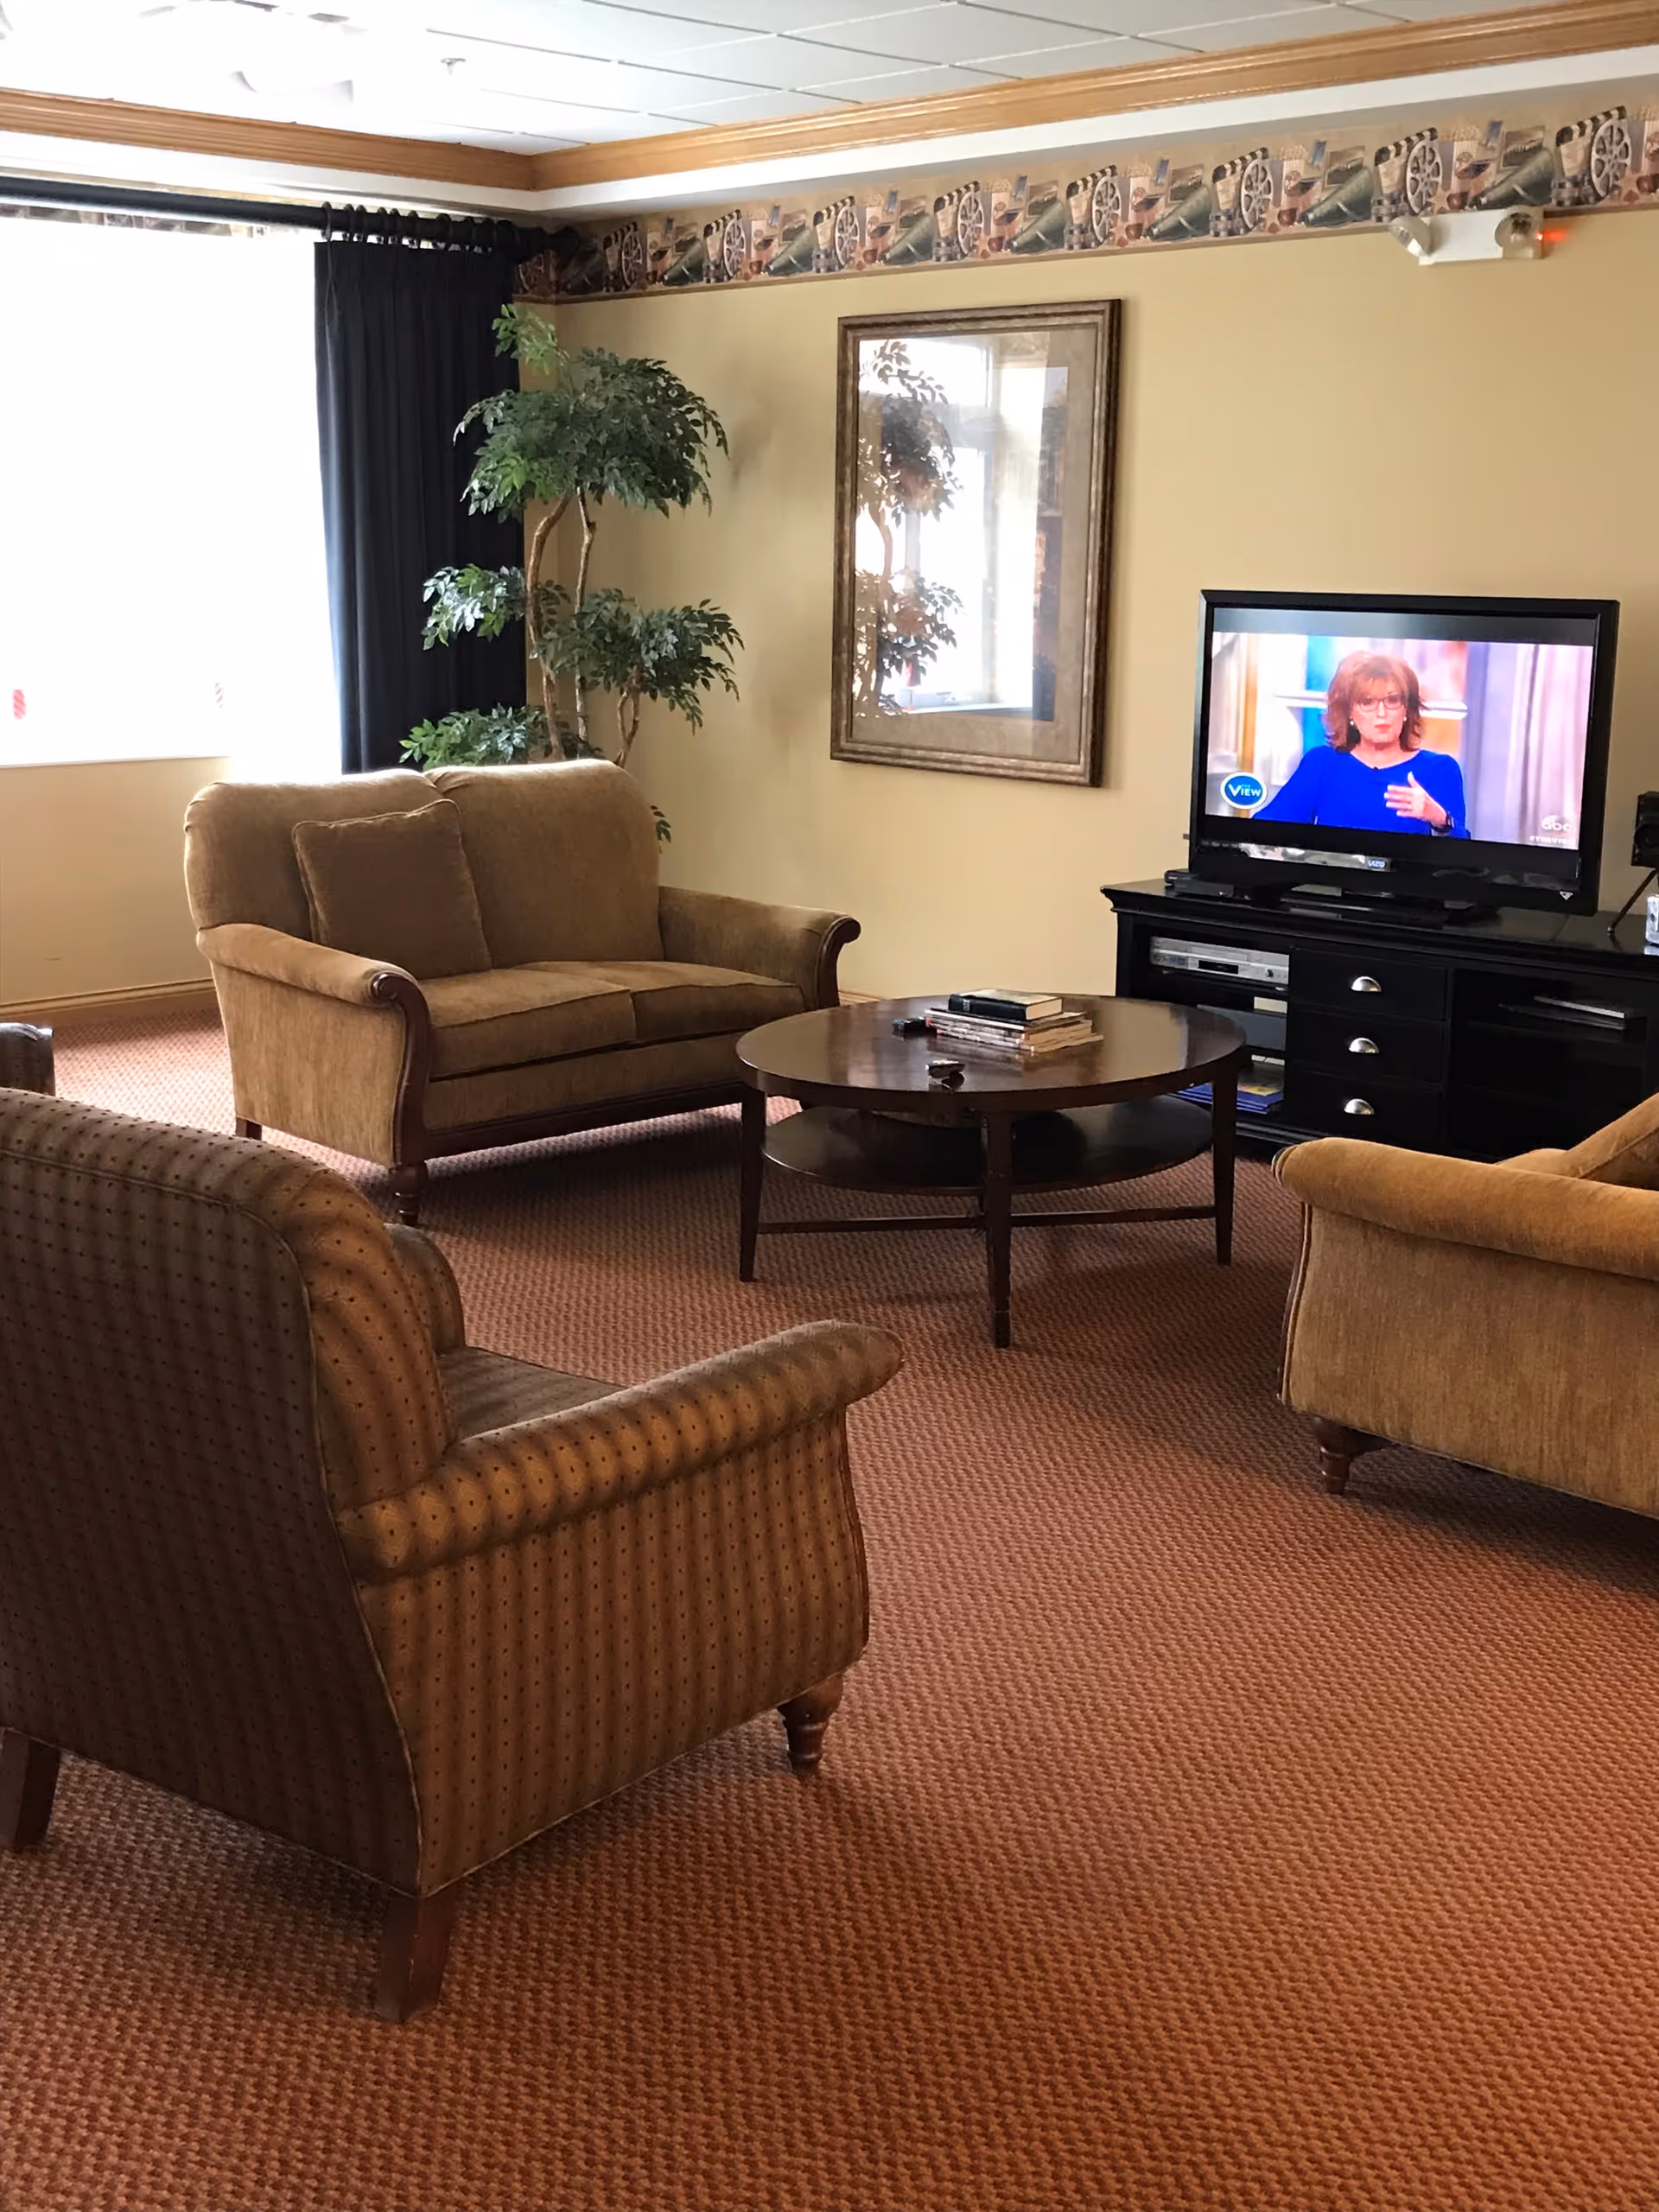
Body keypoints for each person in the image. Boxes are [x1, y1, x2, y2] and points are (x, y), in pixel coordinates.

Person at [1252, 651, 1469, 836]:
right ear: (1350, 712)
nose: (1381, 713)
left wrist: (1439, 819)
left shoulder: (1440, 769)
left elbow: (1461, 858)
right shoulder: (1322, 764)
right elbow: (1263, 831)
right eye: (1367, 701)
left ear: (1406, 709)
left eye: (1392, 700)